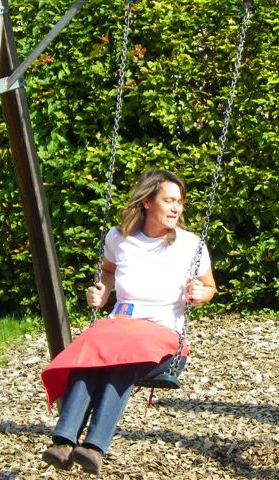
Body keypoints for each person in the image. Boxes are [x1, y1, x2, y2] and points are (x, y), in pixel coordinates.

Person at [40, 170, 216, 475]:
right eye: (169, 201)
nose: (177, 208)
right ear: (147, 202)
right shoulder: (118, 238)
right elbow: (108, 271)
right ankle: (64, 442)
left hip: (162, 336)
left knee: (121, 356)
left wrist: (200, 293)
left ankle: (94, 447)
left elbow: (210, 286)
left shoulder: (190, 244)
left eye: (180, 202)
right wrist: (102, 290)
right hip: (119, 328)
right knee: (91, 352)